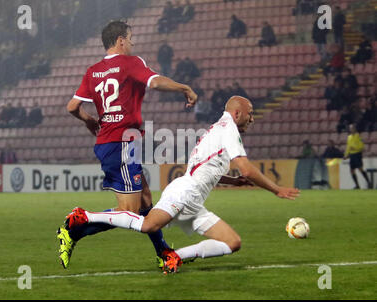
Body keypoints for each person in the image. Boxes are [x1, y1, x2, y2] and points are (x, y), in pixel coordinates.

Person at [63, 96, 300, 273]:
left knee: (232, 243)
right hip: (184, 193)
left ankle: (174, 256)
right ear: (237, 114)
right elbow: (247, 168)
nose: (253, 118)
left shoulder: (219, 130)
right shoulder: (228, 129)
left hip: (193, 200)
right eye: (250, 113)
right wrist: (277, 189)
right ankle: (85, 216)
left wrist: (232, 180)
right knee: (147, 225)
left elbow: (202, 167)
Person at [57, 20, 198, 269]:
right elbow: (154, 82)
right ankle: (77, 224)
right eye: (130, 38)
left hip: (113, 142)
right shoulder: (131, 63)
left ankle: (163, 252)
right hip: (121, 144)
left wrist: (90, 121)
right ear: (121, 40)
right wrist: (184, 87)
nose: (132, 43)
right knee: (130, 212)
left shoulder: (93, 71)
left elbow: (72, 107)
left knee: (145, 201)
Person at [343, 124, 372, 189]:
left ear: (355, 129)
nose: (351, 129)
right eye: (350, 128)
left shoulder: (358, 136)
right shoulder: (349, 137)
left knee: (360, 169)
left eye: (352, 128)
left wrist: (355, 148)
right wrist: (346, 155)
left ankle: (369, 182)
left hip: (357, 154)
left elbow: (361, 146)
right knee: (352, 170)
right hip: (352, 155)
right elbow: (348, 147)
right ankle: (357, 185)